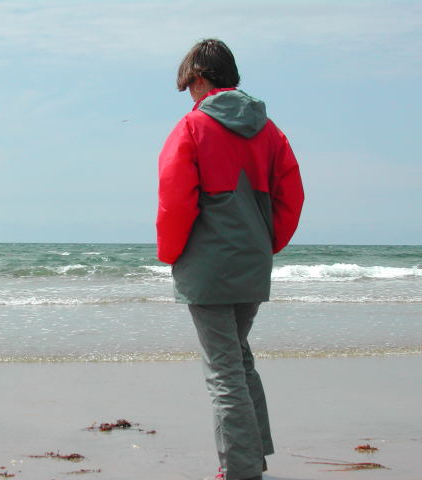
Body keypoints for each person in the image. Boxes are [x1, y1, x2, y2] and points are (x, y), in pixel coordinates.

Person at [156, 39, 304, 480]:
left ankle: (240, 470)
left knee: (224, 371)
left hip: (208, 267)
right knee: (238, 360)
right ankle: (252, 459)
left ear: (200, 79)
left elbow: (174, 201)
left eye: (189, 85)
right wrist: (265, 246)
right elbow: (291, 198)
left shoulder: (193, 127)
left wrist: (169, 253)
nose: (190, 95)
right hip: (251, 262)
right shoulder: (270, 131)